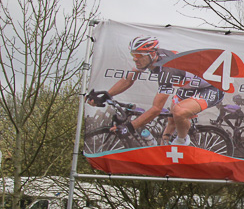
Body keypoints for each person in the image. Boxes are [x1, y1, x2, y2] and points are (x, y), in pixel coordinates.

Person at [87, 36, 225, 146]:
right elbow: (128, 80)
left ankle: (183, 141)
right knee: (171, 120)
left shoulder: (167, 69)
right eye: (133, 54)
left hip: (211, 87)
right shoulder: (149, 59)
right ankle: (165, 147)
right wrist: (107, 95)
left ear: (152, 54)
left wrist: (130, 127)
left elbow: (156, 109)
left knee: (179, 112)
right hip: (189, 87)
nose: (135, 59)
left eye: (139, 55)